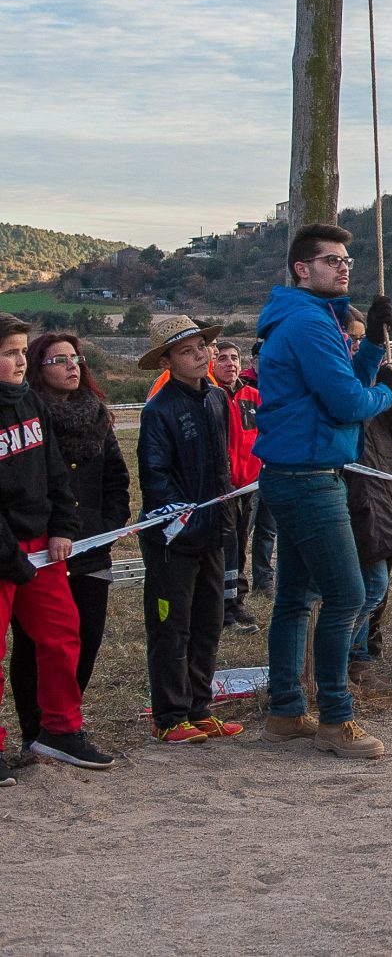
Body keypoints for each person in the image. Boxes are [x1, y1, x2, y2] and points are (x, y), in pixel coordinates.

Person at [252, 222, 392, 759]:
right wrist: (383, 391)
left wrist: (373, 345)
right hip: (310, 478)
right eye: (332, 260)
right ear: (302, 269)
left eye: (345, 260)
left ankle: (286, 710)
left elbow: (338, 386)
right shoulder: (310, 323)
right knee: (347, 596)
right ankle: (337, 718)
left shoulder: (306, 320)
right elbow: (349, 404)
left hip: (293, 473)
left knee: (294, 597)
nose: (344, 267)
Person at [0, 315, 115, 775]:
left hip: (42, 547)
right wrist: (10, 555)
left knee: (64, 635)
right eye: (10, 351)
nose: (20, 359)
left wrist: (63, 526)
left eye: (22, 351)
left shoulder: (30, 402)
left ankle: (60, 731)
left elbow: (54, 472)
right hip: (5, 551)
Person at [136, 315, 240, 746]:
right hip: (172, 539)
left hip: (215, 532)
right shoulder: (159, 410)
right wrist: (186, 519)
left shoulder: (216, 399)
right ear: (167, 360)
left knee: (208, 621)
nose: (199, 355)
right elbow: (155, 476)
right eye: (186, 351)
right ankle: (170, 714)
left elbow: (223, 464)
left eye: (202, 347)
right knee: (171, 625)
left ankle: (199, 706)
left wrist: (224, 514)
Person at [343, 333, 392, 691]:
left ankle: (359, 657)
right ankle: (345, 657)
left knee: (376, 583)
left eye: (362, 340)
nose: (359, 347)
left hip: (382, 487)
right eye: (352, 341)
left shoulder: (376, 379)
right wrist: (381, 392)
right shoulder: (343, 380)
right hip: (353, 491)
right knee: (367, 585)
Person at [207, 339, 263, 632]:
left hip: (249, 484)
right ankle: (222, 607)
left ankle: (238, 599)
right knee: (224, 545)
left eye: (234, 358)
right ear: (213, 364)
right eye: (223, 358)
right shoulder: (210, 396)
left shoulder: (252, 396)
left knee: (241, 543)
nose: (230, 363)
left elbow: (264, 432)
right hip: (222, 487)